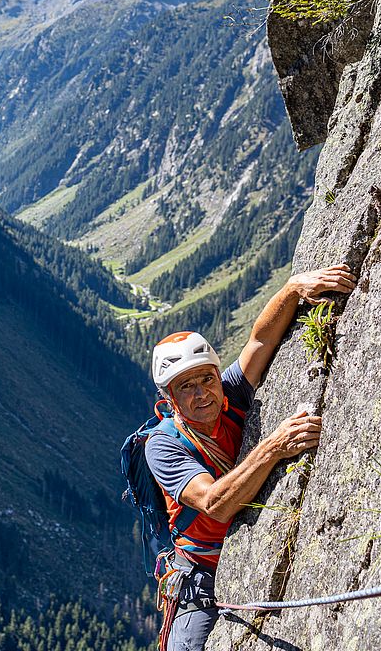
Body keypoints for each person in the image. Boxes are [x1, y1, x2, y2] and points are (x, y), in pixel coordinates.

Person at [145, 264, 356, 651]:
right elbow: (215, 504)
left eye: (207, 378)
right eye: (186, 387)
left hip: (238, 551)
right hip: (201, 574)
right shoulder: (162, 445)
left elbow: (259, 341)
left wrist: (293, 289)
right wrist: (274, 447)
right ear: (169, 399)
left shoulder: (229, 395)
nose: (202, 393)